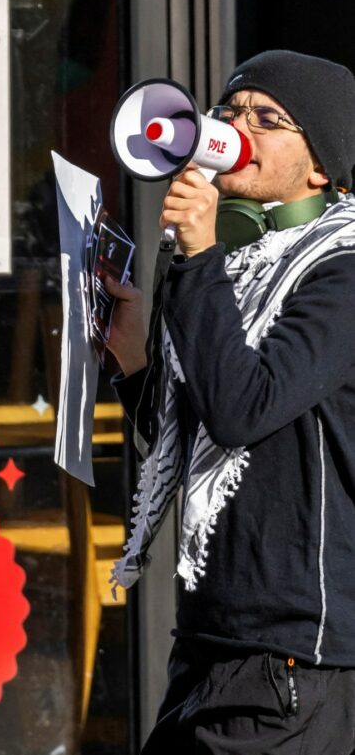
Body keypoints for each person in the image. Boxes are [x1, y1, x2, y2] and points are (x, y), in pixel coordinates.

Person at [105, 50, 355, 753]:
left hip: (291, 656)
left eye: (267, 118)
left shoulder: (342, 270)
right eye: (230, 110)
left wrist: (200, 255)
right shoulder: (232, 263)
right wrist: (131, 358)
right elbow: (191, 424)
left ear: (319, 163)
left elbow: (244, 406)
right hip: (211, 641)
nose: (238, 126)